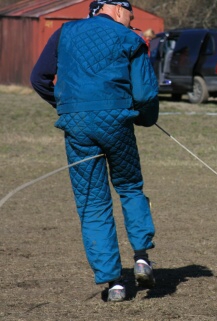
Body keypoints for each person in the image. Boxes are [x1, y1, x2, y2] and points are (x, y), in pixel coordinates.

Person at [30, 0, 159, 302]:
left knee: (91, 202)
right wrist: (146, 118)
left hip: (76, 126)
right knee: (129, 187)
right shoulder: (131, 38)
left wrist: (68, 107)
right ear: (116, 10)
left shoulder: (64, 32)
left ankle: (114, 283)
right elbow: (143, 93)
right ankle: (141, 256)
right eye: (131, 14)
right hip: (116, 123)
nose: (132, 20)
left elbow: (39, 78)